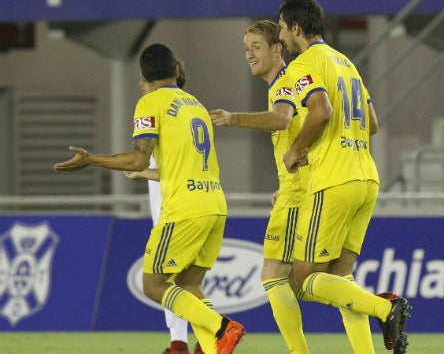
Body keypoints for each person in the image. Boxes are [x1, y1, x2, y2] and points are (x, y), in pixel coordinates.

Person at [54, 43, 245, 354]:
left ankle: (222, 327)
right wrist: (143, 174)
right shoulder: (194, 104)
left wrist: (92, 159)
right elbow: (177, 166)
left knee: (153, 285)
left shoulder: (150, 102)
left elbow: (138, 159)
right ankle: (214, 343)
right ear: (175, 71)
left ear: (142, 75)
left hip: (183, 209)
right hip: (214, 205)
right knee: (188, 285)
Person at [278, 0, 411, 353]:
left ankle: (385, 308)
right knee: (341, 278)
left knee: (303, 281)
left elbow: (319, 111)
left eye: (281, 27)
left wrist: (297, 148)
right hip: (366, 177)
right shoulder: (346, 63)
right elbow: (372, 123)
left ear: (296, 27)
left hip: (334, 180)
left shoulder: (305, 63)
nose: (280, 36)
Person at [210, 20, 312, 354]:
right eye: (245, 48)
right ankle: (379, 308)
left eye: (256, 46)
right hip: (297, 189)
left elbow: (282, 118)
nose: (249, 55)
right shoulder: (290, 82)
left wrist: (233, 117)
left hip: (298, 194)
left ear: (277, 49)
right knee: (304, 282)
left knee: (272, 275)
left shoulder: (283, 82)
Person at [124, 59, 204, 354]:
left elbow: (172, 170)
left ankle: (204, 336)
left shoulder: (157, 111)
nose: (140, 83)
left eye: (143, 78)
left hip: (174, 212)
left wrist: (138, 170)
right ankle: (193, 342)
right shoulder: (189, 108)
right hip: (194, 208)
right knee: (183, 283)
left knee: (163, 283)